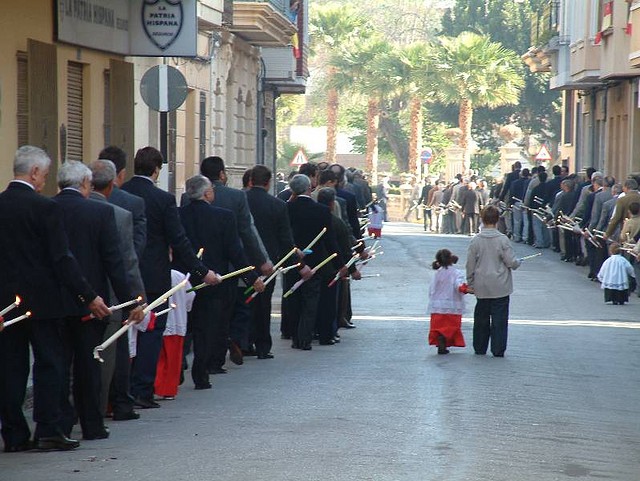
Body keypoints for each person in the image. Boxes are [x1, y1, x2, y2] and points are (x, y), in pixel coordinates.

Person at [0, 146, 111, 452]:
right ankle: (48, 429)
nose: (44, 182)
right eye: (44, 176)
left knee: (10, 367)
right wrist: (88, 296)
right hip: (44, 303)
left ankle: (14, 434)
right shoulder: (45, 208)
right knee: (50, 364)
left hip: (6, 304)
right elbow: (62, 258)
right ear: (34, 172)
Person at [121, 147, 220, 409]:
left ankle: (119, 391)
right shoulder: (162, 200)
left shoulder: (121, 193)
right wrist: (202, 271)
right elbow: (179, 241)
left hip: (122, 275)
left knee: (124, 332)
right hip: (154, 276)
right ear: (157, 169)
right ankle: (142, 389)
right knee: (151, 331)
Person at [466, 205, 521, 357]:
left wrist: (470, 282)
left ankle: (480, 347)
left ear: (482, 219)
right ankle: (498, 349)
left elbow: (470, 264)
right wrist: (518, 262)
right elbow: (511, 262)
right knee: (500, 319)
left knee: (481, 318)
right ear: (497, 220)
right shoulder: (503, 240)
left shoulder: (476, 241)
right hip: (500, 286)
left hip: (482, 285)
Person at [154, 269, 195, 399]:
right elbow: (191, 294)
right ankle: (168, 390)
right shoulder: (179, 275)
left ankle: (155, 385)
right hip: (177, 321)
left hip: (158, 320)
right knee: (173, 359)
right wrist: (187, 307)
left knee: (159, 357)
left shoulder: (152, 271)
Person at [427, 249, 469, 355]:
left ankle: (440, 338)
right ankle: (445, 340)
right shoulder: (456, 273)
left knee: (438, 326)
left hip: (437, 305)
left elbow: (431, 289)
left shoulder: (437, 273)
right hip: (453, 304)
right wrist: (466, 289)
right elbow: (458, 285)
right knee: (451, 326)